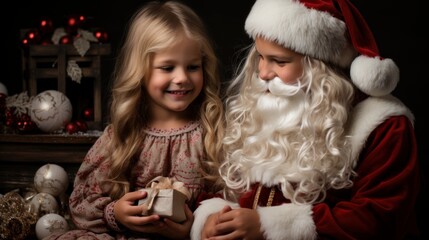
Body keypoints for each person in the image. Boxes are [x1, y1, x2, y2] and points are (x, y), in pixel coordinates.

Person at [191, 0, 421, 239]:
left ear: (320, 68)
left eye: (280, 61)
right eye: (260, 56)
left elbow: (379, 218)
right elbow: (234, 193)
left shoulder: (385, 125)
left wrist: (270, 226)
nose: (263, 73)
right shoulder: (267, 108)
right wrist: (212, 218)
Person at [46, 1, 224, 239]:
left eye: (193, 67)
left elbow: (231, 203)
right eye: (167, 67)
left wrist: (195, 229)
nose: (182, 77)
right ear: (140, 69)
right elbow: (80, 204)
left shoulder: (212, 135)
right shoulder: (124, 134)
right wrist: (115, 213)